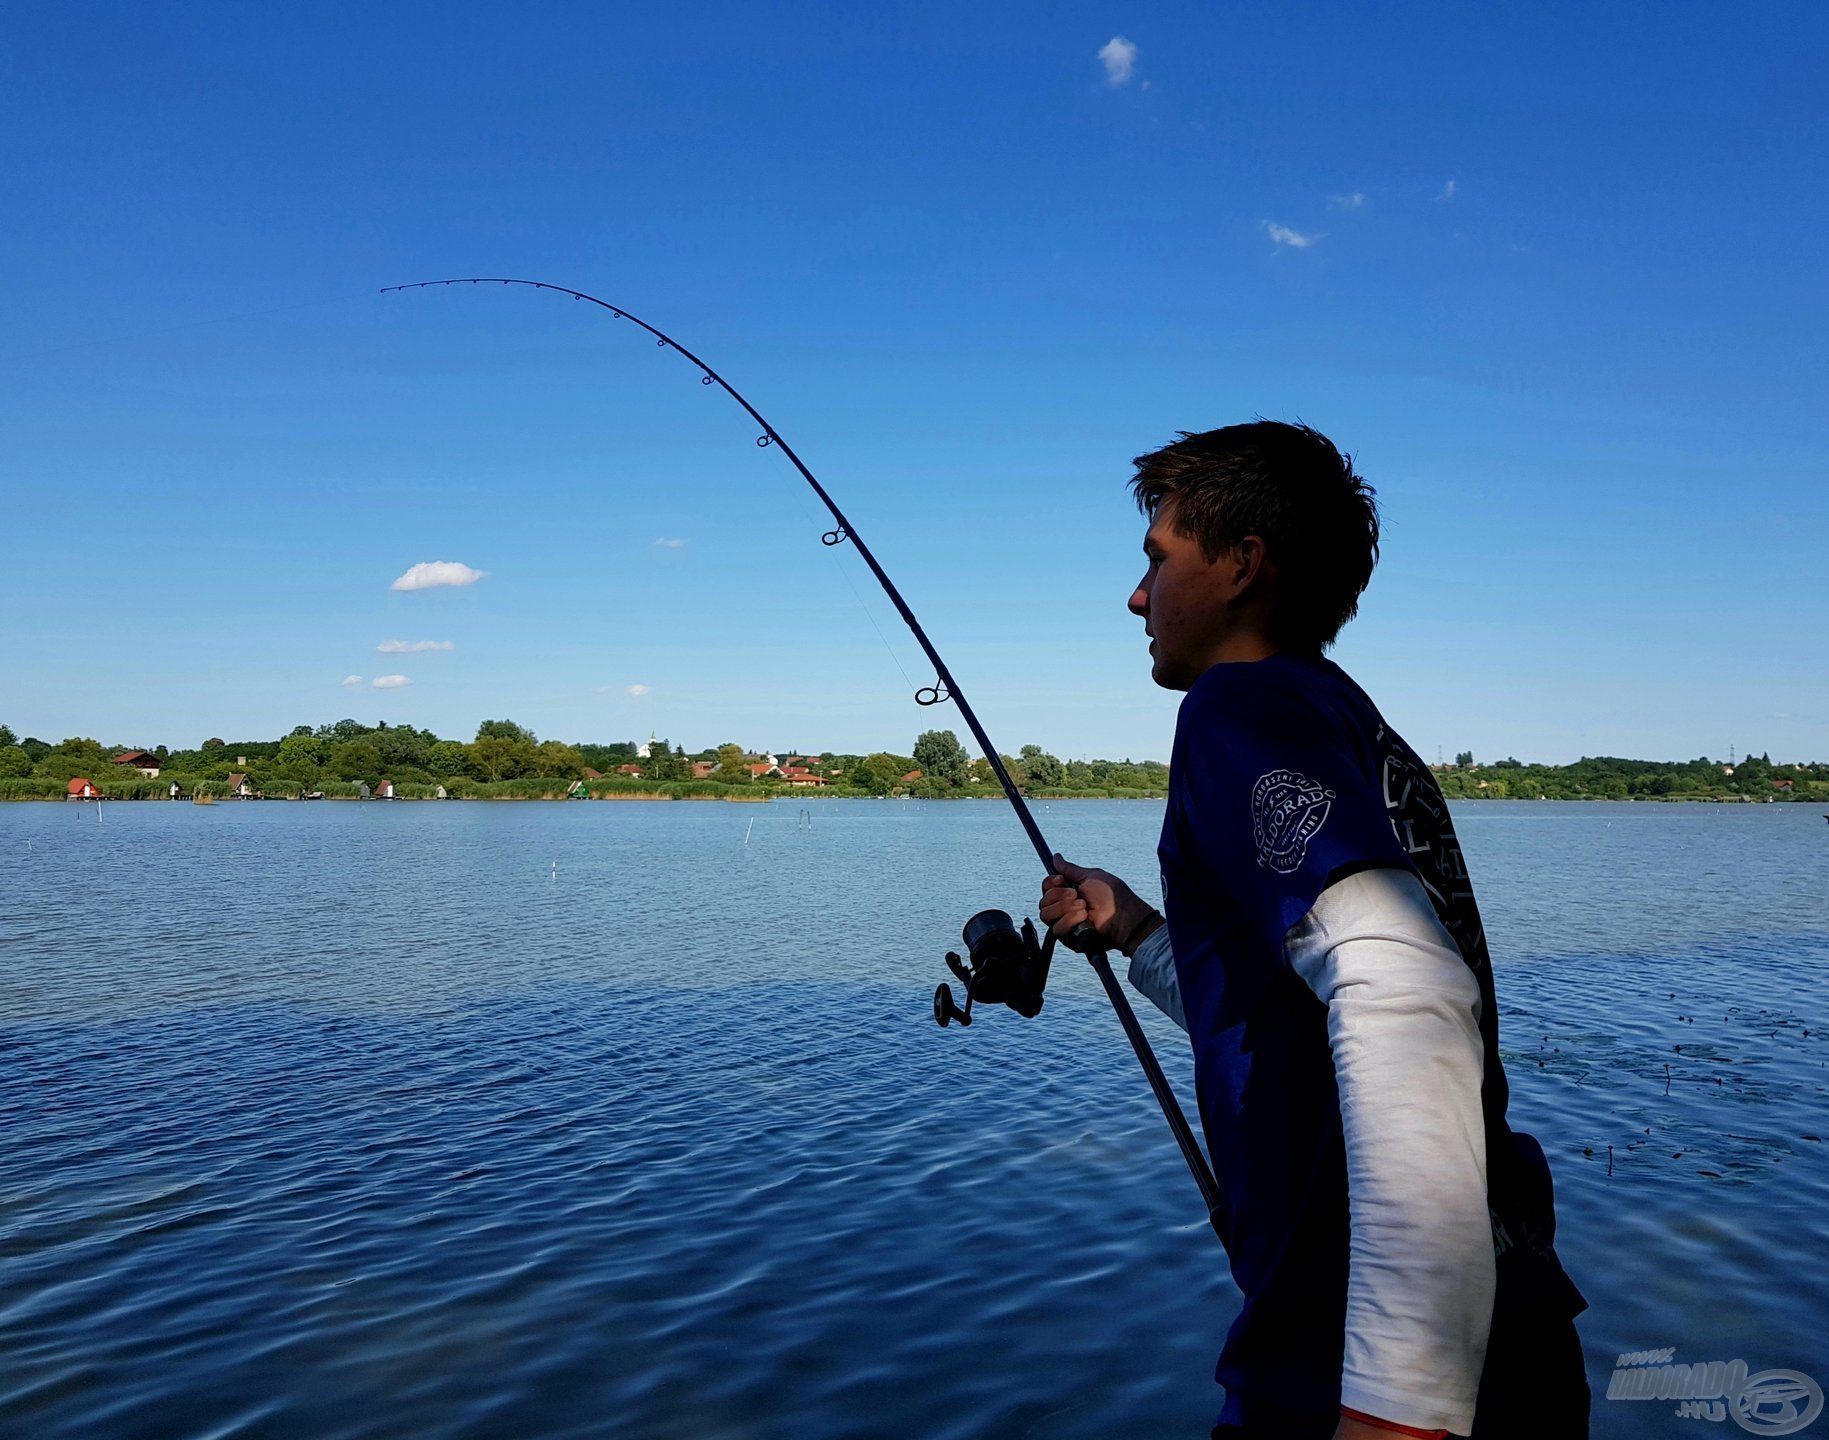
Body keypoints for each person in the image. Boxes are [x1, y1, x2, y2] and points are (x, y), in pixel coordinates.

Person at [1037, 423, 1590, 1440]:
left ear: (1241, 565)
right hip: (1515, 1332)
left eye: (1156, 558)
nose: (1134, 594)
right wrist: (1132, 931)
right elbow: (1289, 999)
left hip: (1352, 1368)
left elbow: (1400, 989)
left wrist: (1397, 1405)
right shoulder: (1346, 725)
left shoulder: (1233, 709)